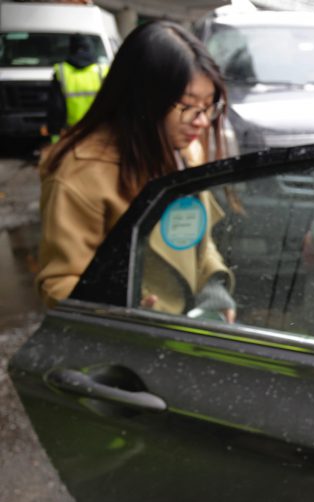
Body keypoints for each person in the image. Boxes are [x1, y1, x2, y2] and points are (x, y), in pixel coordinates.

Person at [37, 21, 236, 322]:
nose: (202, 121)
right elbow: (60, 283)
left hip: (183, 325)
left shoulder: (186, 151)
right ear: (143, 100)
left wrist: (213, 288)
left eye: (209, 106)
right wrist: (126, 310)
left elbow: (197, 240)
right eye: (188, 106)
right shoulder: (80, 175)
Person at [46, 33, 108, 143]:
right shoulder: (102, 70)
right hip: (98, 130)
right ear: (90, 48)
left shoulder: (61, 71)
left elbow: (56, 106)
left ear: (71, 49)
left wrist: (54, 133)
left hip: (72, 132)